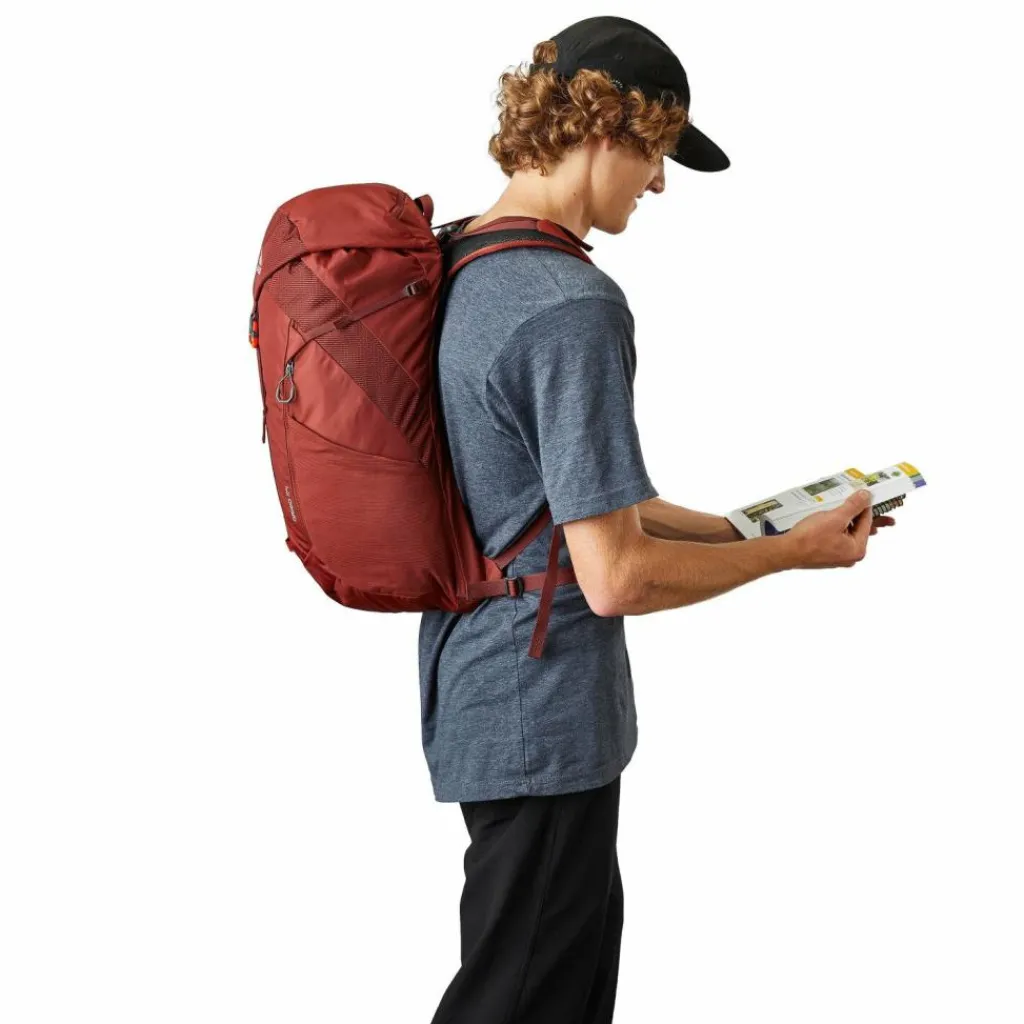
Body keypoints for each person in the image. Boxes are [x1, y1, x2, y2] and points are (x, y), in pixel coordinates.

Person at [420, 16, 895, 1024]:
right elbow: (616, 576)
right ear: (606, 130)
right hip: (542, 712)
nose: (660, 184)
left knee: (553, 989)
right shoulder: (567, 304)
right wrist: (788, 559)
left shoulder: (464, 258)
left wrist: (754, 527)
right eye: (657, 152)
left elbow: (587, 507)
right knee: (522, 1003)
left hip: (484, 686)